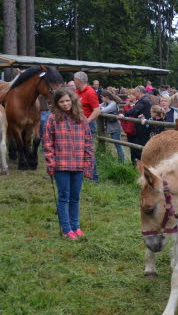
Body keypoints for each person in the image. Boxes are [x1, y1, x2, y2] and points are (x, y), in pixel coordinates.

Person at [43, 89, 94, 239]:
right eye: (61, 102)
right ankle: (66, 229)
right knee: (64, 197)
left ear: (72, 100)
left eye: (67, 100)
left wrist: (88, 163)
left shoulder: (81, 118)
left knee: (75, 197)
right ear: (56, 104)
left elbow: (88, 143)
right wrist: (50, 163)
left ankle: (76, 226)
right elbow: (47, 143)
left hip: (78, 164)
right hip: (61, 165)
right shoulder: (53, 119)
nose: (65, 104)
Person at [73, 71, 100, 183]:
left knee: (88, 150)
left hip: (88, 125)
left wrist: (87, 122)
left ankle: (94, 177)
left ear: (79, 80)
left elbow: (97, 110)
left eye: (74, 80)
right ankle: (83, 173)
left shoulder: (90, 92)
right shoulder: (77, 92)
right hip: (78, 124)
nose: (74, 82)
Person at [117, 86, 151, 162]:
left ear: (139, 92)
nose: (135, 94)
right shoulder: (144, 100)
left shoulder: (143, 101)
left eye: (135, 92)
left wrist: (124, 114)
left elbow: (135, 110)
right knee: (138, 148)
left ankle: (141, 165)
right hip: (141, 128)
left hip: (143, 129)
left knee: (141, 148)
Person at [100, 91, 125, 163]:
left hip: (115, 128)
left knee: (118, 146)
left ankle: (121, 163)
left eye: (102, 97)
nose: (101, 98)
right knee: (117, 145)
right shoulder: (106, 103)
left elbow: (103, 111)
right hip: (111, 127)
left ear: (106, 97)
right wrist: (100, 107)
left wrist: (101, 108)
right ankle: (120, 162)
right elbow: (98, 106)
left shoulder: (113, 104)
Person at [120, 89, 139, 164]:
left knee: (138, 149)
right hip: (129, 131)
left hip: (138, 131)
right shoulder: (126, 107)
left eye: (130, 94)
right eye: (127, 94)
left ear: (135, 96)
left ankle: (140, 166)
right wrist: (126, 128)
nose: (128, 96)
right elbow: (123, 120)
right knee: (132, 149)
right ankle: (133, 165)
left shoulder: (138, 106)